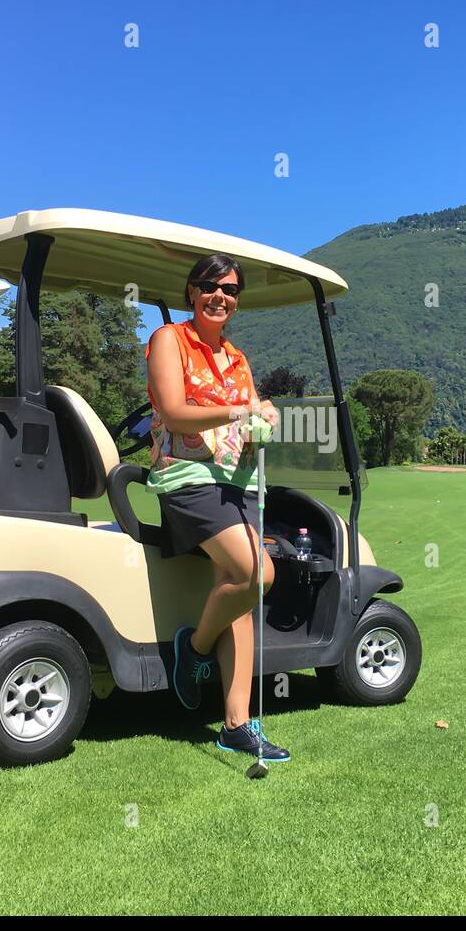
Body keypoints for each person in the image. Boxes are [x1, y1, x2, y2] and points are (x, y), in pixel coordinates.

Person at [144, 253, 290, 762]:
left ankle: (235, 724)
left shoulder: (238, 359)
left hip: (237, 484)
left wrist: (261, 423)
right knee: (257, 574)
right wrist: (239, 409)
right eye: (209, 286)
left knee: (240, 596)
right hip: (185, 478)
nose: (220, 296)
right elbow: (174, 413)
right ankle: (196, 649)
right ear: (191, 292)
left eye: (229, 289)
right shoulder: (169, 340)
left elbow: (245, 429)